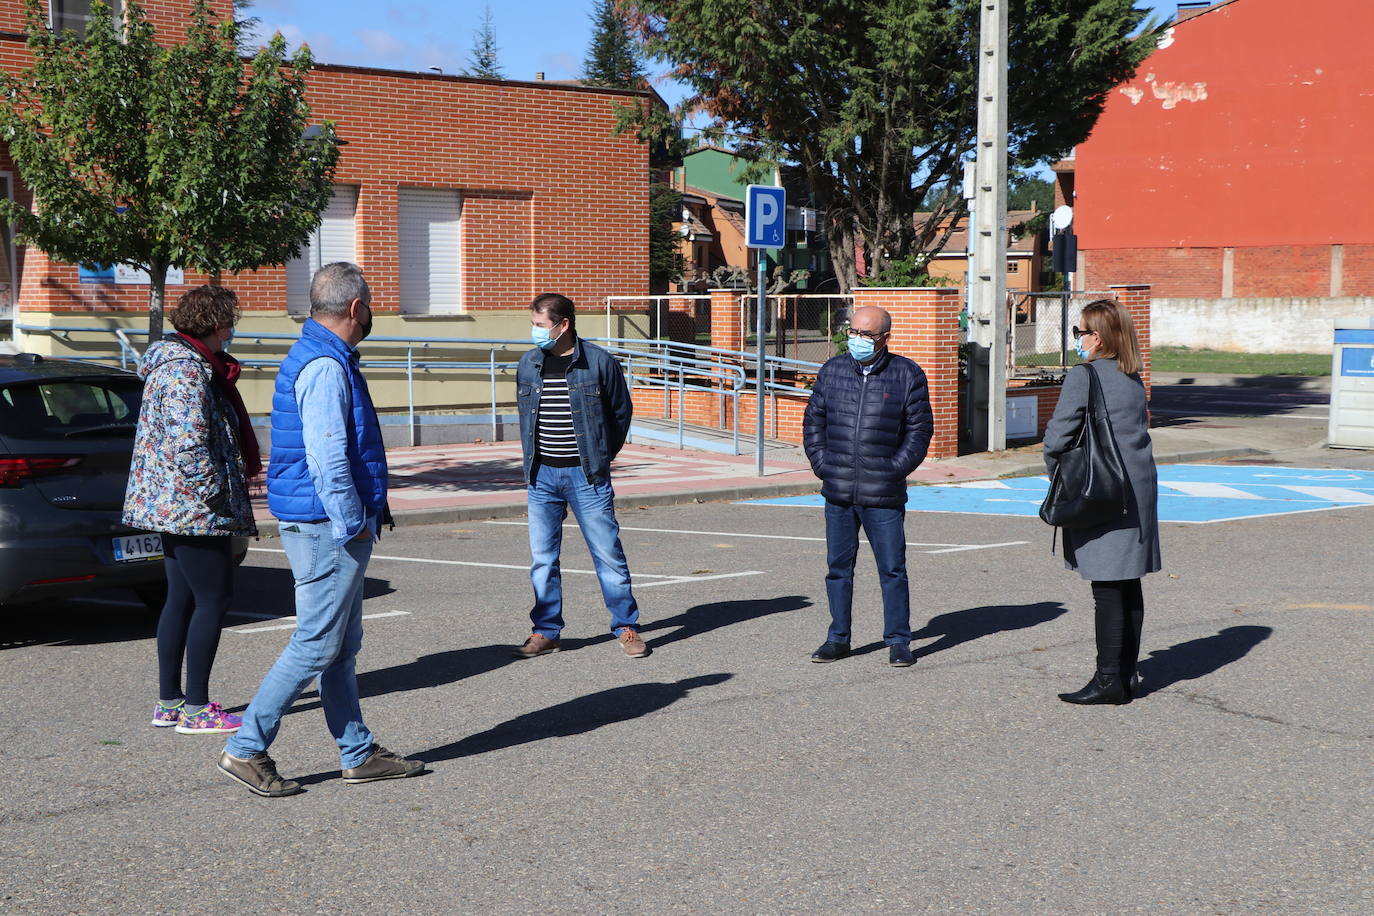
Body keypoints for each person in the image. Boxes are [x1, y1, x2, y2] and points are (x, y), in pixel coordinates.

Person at [219, 262, 421, 797]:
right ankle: (245, 747)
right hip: (324, 525)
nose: (373, 312)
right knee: (316, 643)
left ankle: (357, 752)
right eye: (371, 304)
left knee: (341, 644)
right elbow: (328, 459)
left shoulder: (322, 356)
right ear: (356, 308)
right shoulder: (326, 367)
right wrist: (352, 523)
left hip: (321, 521)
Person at [125, 285, 260, 735]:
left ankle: (170, 703)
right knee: (213, 599)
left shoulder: (174, 364)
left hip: (172, 505)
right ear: (217, 324)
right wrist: (218, 496)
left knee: (181, 598)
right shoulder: (186, 371)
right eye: (230, 323)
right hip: (193, 508)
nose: (232, 331)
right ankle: (197, 709)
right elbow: (189, 446)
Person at [511, 293, 647, 659]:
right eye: (534, 324)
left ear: (563, 325)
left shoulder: (599, 363)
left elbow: (621, 413)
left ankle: (626, 625)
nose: (535, 332)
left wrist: (601, 456)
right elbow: (527, 417)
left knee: (608, 554)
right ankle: (546, 631)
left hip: (587, 476)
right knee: (542, 559)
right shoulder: (529, 364)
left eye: (540, 325)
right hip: (541, 477)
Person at [1042, 298, 1162, 705]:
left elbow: (1058, 438)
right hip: (1138, 488)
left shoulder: (1085, 375)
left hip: (1103, 488)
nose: (1078, 339)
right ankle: (1126, 673)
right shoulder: (1132, 376)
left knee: (1107, 587)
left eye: (1081, 332)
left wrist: (1058, 476)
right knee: (1127, 583)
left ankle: (1108, 679)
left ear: (1097, 336)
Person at [802, 305, 934, 667]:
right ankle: (838, 638)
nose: (857, 340)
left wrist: (894, 470)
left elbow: (919, 431)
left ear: (885, 338)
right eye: (853, 332)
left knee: (892, 569)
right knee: (838, 568)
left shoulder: (907, 374)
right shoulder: (832, 371)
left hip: (884, 493)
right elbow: (814, 421)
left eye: (867, 334)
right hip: (838, 489)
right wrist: (823, 465)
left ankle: (899, 640)